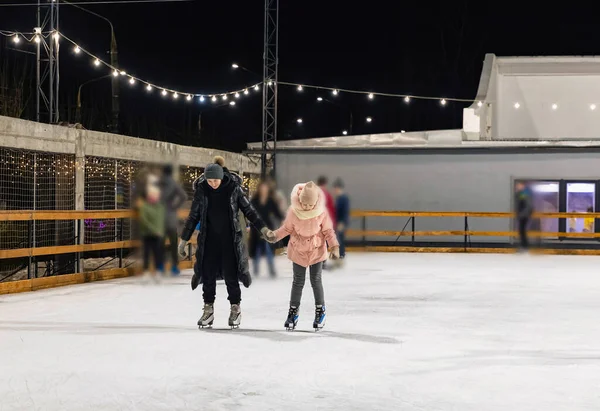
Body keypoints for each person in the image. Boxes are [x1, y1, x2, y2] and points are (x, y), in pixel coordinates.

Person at [178, 156, 269, 329]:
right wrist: (183, 240)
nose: (213, 183)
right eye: (210, 180)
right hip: (209, 240)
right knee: (208, 274)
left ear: (221, 177)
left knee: (231, 275)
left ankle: (235, 308)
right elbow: (193, 217)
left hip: (230, 241)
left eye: (216, 180)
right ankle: (208, 309)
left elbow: (248, 210)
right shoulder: (202, 190)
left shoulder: (233, 188)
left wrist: (263, 229)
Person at [264, 181, 340, 331]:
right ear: (300, 200)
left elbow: (328, 232)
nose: (306, 207)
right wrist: (274, 235)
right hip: (298, 250)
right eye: (304, 204)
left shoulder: (321, 212)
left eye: (309, 205)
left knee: (316, 280)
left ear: (316, 202)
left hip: (316, 250)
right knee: (298, 281)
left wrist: (334, 247)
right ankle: (293, 312)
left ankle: (320, 311)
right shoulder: (294, 211)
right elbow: (286, 228)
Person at [249, 181, 284, 277]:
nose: (264, 190)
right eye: (262, 188)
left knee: (268, 248)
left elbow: (277, 213)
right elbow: (249, 213)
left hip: (268, 227)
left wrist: (282, 219)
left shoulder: (270, 201)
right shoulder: (254, 201)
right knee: (257, 249)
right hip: (256, 227)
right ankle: (255, 270)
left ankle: (272, 270)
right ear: (259, 189)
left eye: (265, 189)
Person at [159, 164, 187, 276]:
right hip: (171, 217)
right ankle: (174, 267)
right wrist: (175, 206)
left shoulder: (159, 183)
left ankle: (160, 266)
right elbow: (183, 196)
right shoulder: (173, 184)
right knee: (173, 242)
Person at [139, 176, 165, 282]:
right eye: (152, 195)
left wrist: (160, 231)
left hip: (158, 234)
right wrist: (155, 230)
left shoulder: (160, 207)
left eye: (156, 195)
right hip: (147, 234)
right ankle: (145, 272)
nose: (154, 197)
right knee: (146, 253)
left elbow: (161, 220)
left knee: (157, 253)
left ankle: (158, 272)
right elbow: (144, 220)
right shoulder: (145, 206)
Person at [333, 178, 350, 261]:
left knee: (340, 238)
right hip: (337, 221)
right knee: (338, 238)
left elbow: (345, 211)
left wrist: (342, 222)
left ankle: (341, 254)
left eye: (336, 188)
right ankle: (339, 254)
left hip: (341, 222)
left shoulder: (344, 198)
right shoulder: (338, 198)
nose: (335, 190)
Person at [515, 182, 533, 251]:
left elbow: (528, 205)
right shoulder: (521, 193)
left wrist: (523, 214)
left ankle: (524, 246)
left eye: (519, 185)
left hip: (524, 215)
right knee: (521, 230)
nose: (517, 187)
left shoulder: (524, 193)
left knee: (522, 230)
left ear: (522, 185)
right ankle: (524, 246)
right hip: (522, 214)